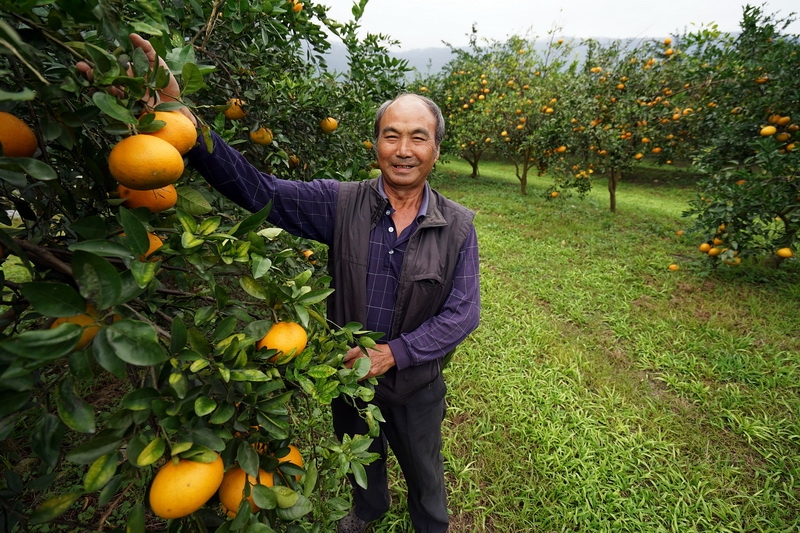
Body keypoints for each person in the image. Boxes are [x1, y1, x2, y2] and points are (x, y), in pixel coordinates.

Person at [82, 34, 481, 533]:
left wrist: (393, 354)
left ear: (436, 150)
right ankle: (368, 511)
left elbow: (464, 312)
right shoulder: (341, 203)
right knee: (363, 460)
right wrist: (183, 118)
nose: (403, 150)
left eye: (418, 137)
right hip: (348, 378)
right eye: (391, 135)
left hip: (416, 383)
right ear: (375, 143)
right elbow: (257, 189)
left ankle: (431, 524)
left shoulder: (459, 225)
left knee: (425, 471)